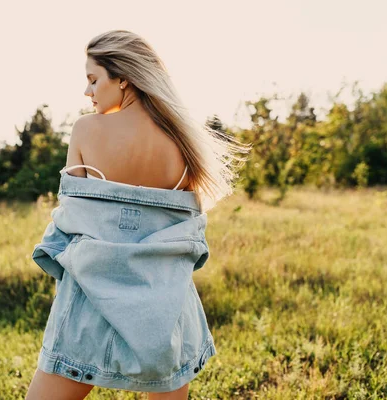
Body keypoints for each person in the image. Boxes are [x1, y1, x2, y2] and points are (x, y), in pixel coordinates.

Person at [25, 29, 251, 400]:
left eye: (93, 79)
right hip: (164, 304)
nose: (88, 92)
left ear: (124, 77)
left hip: (89, 300)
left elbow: (71, 220)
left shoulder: (86, 129)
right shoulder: (185, 142)